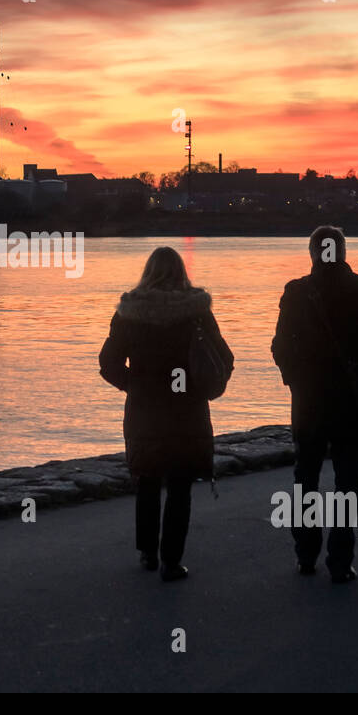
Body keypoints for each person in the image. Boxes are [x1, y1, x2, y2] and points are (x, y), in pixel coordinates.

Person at [99, 246, 233, 581]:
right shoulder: (198, 312)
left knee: (147, 479)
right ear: (181, 273)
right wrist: (204, 386)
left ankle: (147, 551)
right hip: (187, 410)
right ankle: (171, 561)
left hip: (145, 410)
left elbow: (108, 363)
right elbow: (224, 358)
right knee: (179, 484)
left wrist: (135, 386)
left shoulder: (129, 312)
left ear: (148, 272)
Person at [271, 226, 358, 582]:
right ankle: (340, 560)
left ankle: (305, 554)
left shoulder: (296, 291)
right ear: (344, 251)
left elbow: (280, 346)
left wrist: (294, 380)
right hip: (351, 400)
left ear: (312, 252)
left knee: (305, 477)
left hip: (309, 398)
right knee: (348, 481)